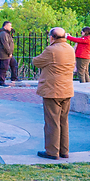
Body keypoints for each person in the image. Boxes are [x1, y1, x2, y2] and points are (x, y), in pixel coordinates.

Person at [32, 27, 76, 160]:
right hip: (67, 90)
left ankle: (52, 151)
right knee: (64, 121)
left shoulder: (51, 50)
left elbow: (36, 62)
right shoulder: (70, 49)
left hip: (53, 91)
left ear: (52, 37)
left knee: (52, 122)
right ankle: (64, 150)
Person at [0, 21, 19, 86]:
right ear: (5, 27)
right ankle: (1, 82)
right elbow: (5, 44)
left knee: (14, 64)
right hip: (4, 54)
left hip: (8, 54)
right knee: (4, 68)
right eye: (9, 26)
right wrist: (9, 52)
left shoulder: (6, 33)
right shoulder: (3, 34)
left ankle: (14, 78)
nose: (11, 27)